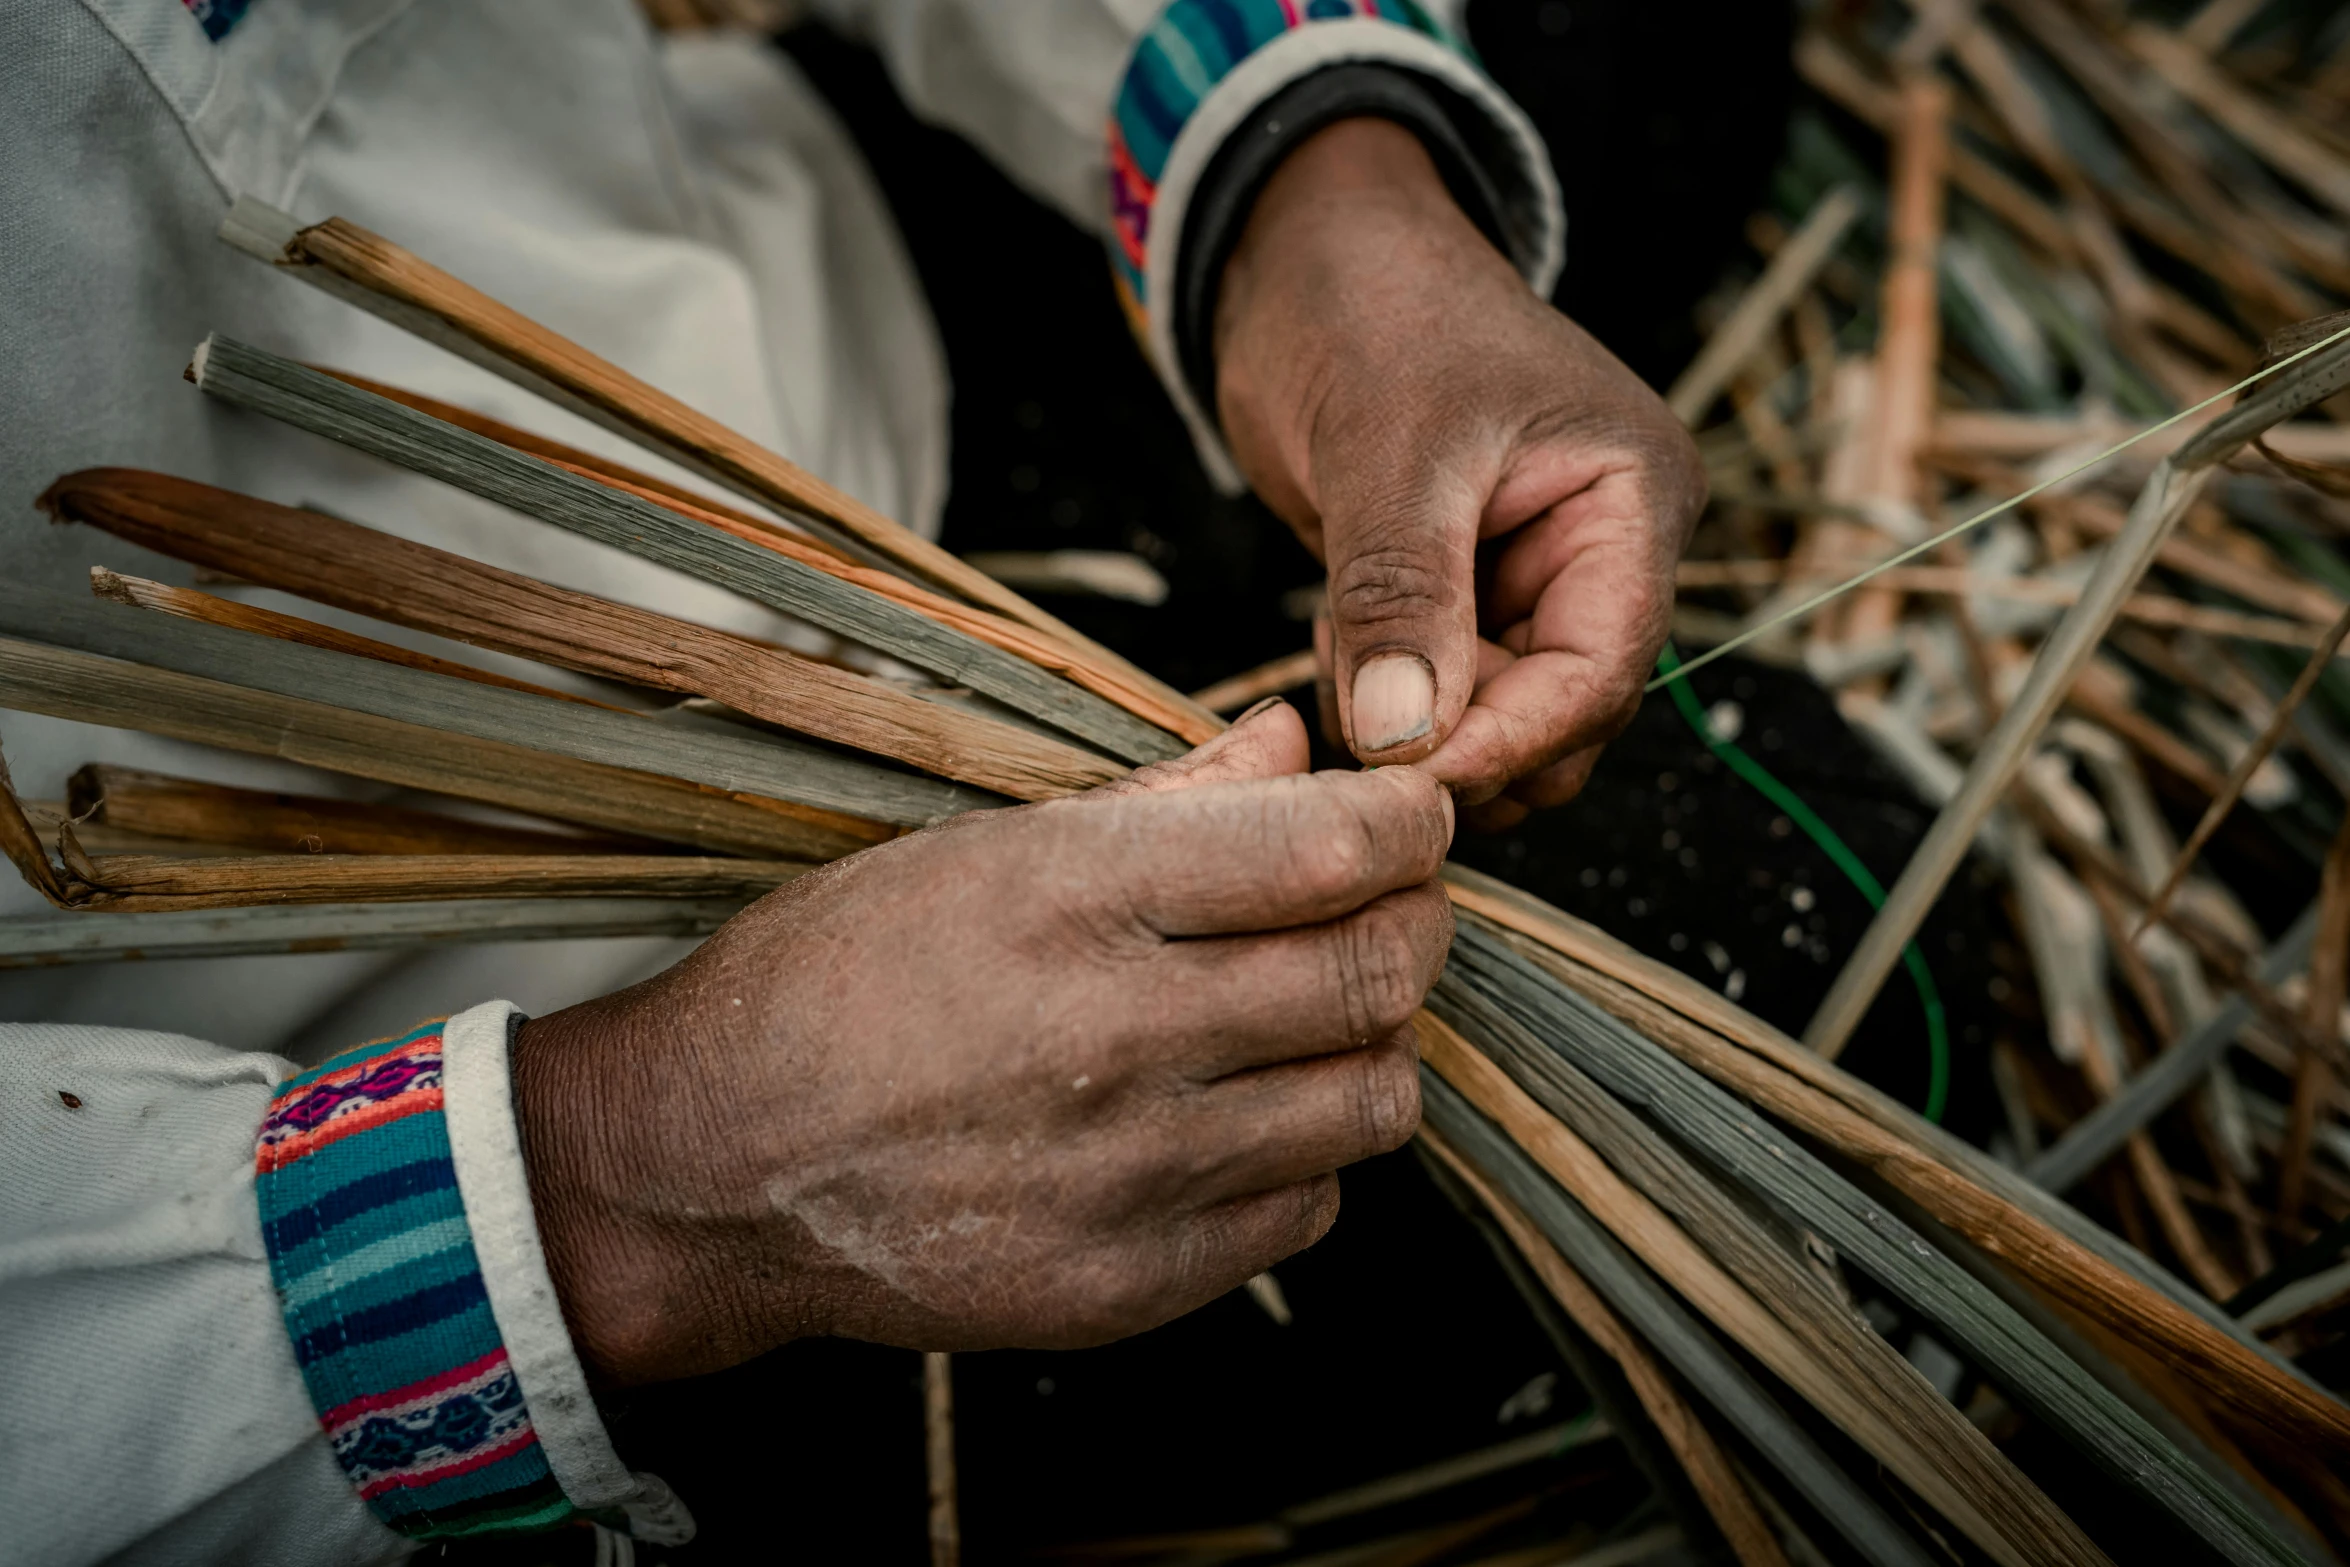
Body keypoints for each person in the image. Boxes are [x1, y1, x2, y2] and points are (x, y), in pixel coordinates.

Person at [0, 1, 1703, 1560]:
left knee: (1631, 67)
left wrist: (1312, 193)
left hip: (813, 314)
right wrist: (624, 1183)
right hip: (486, 1146)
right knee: (1812, 899)